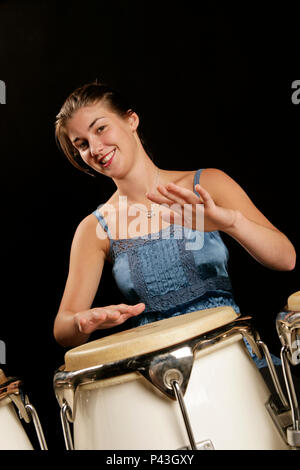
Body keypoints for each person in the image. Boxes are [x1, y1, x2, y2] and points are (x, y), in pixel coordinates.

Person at [53, 81, 296, 367]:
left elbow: (286, 258)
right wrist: (82, 323)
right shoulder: (95, 228)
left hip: (232, 361)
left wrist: (231, 222)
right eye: (81, 144)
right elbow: (63, 328)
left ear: (131, 120)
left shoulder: (207, 183)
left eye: (100, 128)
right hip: (159, 377)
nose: (94, 148)